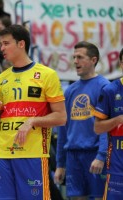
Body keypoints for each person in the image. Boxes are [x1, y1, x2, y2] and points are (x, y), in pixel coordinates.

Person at [0, 24, 67, 199]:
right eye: (1, 44)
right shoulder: (0, 79)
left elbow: (61, 117)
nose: (1, 48)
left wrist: (33, 120)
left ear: (21, 44)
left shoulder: (47, 75)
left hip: (33, 154)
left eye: (6, 43)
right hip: (3, 154)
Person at [54, 41, 109, 200]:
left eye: (80, 57)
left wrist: (101, 156)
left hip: (94, 153)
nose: (75, 61)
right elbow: (63, 129)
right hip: (73, 156)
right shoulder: (70, 90)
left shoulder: (104, 87)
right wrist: (60, 164)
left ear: (93, 60)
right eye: (74, 57)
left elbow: (106, 127)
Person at [94, 48, 123, 199]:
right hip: (117, 169)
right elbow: (97, 128)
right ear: (121, 64)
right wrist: (117, 120)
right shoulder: (110, 90)